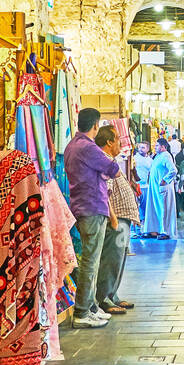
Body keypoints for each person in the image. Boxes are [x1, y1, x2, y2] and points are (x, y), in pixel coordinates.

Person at [61, 107, 120, 329]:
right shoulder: (88, 148)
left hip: (82, 205)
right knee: (90, 261)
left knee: (90, 259)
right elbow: (113, 168)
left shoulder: (71, 146)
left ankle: (92, 307)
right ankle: (83, 311)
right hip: (92, 206)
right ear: (95, 125)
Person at [96, 126, 138, 314]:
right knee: (111, 258)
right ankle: (104, 298)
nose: (121, 144)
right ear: (109, 142)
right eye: (118, 140)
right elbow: (105, 192)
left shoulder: (111, 161)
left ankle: (112, 295)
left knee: (118, 258)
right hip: (117, 219)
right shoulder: (104, 161)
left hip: (122, 218)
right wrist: (113, 218)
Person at [142, 137, 178, 239]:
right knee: (154, 208)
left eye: (157, 145)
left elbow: (173, 170)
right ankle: (154, 230)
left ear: (163, 147)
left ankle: (165, 231)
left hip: (163, 188)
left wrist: (165, 180)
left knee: (164, 209)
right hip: (155, 188)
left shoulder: (166, 156)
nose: (155, 147)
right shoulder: (158, 156)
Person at [132, 141, 154, 232]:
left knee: (144, 206)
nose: (141, 149)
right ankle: (135, 225)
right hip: (135, 185)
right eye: (140, 147)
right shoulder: (134, 158)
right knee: (135, 205)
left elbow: (151, 174)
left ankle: (143, 224)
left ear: (148, 149)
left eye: (143, 148)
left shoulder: (150, 161)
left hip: (145, 186)